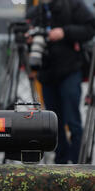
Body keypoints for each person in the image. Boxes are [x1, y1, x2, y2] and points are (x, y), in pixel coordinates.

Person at [26, 0, 95, 164]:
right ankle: (60, 162)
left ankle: (79, 162)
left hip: (70, 69)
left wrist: (64, 32)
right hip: (46, 71)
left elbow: (90, 28)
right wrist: (30, 39)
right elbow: (29, 33)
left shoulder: (73, 5)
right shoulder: (36, 12)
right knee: (52, 122)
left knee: (73, 120)